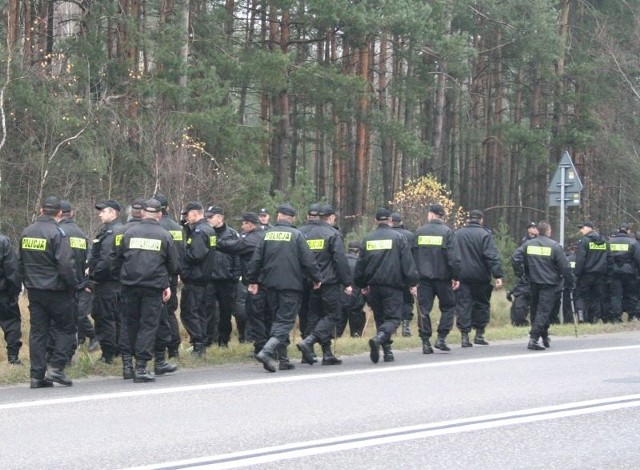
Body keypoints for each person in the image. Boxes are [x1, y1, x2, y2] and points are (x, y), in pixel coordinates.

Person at [247, 203, 322, 373]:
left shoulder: (267, 235)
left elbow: (256, 260)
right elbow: (308, 261)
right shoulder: (297, 235)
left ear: (278, 216)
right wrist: (316, 278)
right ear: (293, 218)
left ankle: (284, 359)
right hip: (291, 285)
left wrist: (253, 280)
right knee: (285, 321)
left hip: (270, 285)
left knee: (277, 320)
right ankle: (266, 351)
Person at [114, 199, 180, 382]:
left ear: (142, 214)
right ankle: (141, 367)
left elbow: (118, 258)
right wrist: (166, 283)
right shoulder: (165, 235)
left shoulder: (129, 233)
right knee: (148, 326)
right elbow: (174, 266)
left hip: (129, 285)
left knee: (130, 324)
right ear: (159, 214)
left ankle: (130, 364)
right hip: (153, 287)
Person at [19, 196, 77, 388]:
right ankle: (57, 368)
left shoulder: (27, 232)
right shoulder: (57, 233)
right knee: (66, 328)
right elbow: (66, 265)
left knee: (38, 332)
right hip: (57, 290)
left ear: (41, 210)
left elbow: (21, 262)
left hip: (35, 290)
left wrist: (26, 283)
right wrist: (72, 285)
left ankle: (37, 376)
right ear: (59, 213)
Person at [354, 208, 418, 363]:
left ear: (375, 221)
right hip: (393, 286)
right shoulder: (399, 238)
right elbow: (407, 263)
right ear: (390, 220)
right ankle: (379, 338)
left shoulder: (367, 239)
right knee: (394, 319)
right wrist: (412, 283)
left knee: (380, 319)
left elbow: (360, 265)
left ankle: (387, 352)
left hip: (373, 286)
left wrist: (361, 284)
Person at [297, 204, 352, 366]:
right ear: (331, 217)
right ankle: (310, 342)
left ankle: (324, 353)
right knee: (332, 315)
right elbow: (340, 260)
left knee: (313, 316)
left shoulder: (302, 233)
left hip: (309, 281)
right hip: (329, 282)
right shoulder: (332, 234)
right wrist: (347, 282)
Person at [512, 221, 573, 350]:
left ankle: (544, 336)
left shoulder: (528, 244)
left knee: (535, 310)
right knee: (544, 311)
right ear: (548, 231)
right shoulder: (554, 246)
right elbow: (565, 267)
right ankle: (534, 339)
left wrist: (521, 274)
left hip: (533, 282)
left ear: (538, 231)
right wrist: (569, 282)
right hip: (549, 283)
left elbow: (515, 257)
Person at [216, 212, 268, 359]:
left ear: (250, 224)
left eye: (244, 223)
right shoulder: (263, 234)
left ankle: (261, 348)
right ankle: (267, 347)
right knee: (263, 315)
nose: (242, 226)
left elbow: (233, 247)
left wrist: (213, 241)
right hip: (264, 282)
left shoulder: (252, 239)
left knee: (256, 316)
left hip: (257, 284)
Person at [412, 203, 460, 354]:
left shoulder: (419, 232)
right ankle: (441, 338)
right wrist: (456, 276)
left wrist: (413, 279)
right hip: (443, 279)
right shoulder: (447, 232)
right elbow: (454, 258)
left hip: (423, 279)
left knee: (423, 310)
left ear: (431, 215)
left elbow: (411, 256)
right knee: (449, 307)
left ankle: (425, 342)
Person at [454, 209, 503, 347]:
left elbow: (452, 255)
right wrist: (497, 275)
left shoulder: (457, 234)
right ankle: (479, 334)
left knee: (463, 304)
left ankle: (464, 336)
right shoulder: (485, 235)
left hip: (461, 276)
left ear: (468, 219)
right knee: (482, 304)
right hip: (481, 276)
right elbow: (492, 256)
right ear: (481, 220)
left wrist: (452, 274)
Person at [59, 200, 98, 356]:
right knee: (77, 314)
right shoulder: (81, 234)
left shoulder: (58, 232)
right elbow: (88, 258)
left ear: (59, 213)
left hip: (63, 282)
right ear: (72, 213)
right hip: (81, 281)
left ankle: (88, 337)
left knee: (71, 317)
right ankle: (81, 340)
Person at [87, 199, 123, 364]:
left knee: (105, 317)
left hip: (107, 282)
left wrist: (93, 275)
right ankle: (118, 351)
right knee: (115, 317)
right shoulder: (116, 230)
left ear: (113, 213)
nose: (99, 214)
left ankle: (108, 354)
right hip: (116, 282)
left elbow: (107, 260)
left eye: (103, 211)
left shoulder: (112, 232)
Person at [180, 201, 217, 356]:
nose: (186, 218)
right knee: (199, 312)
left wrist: (181, 255)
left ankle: (198, 343)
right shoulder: (206, 229)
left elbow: (196, 254)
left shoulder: (200, 232)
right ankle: (200, 345)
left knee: (189, 313)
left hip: (195, 277)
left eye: (187, 215)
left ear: (195, 213)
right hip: (202, 278)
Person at [204, 205, 241, 347]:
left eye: (211, 217)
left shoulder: (232, 234)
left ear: (220, 217)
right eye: (207, 217)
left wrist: (235, 276)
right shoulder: (206, 233)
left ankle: (223, 340)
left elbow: (237, 255)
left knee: (226, 312)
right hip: (209, 280)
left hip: (227, 280)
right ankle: (208, 340)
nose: (208, 220)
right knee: (209, 311)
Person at [154, 193, 184, 358]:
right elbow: (181, 252)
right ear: (168, 208)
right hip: (172, 275)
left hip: (158, 276)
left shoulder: (157, 227)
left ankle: (159, 349)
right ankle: (174, 349)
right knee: (171, 312)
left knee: (157, 314)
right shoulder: (177, 227)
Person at [574, 221, 610, 323]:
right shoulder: (604, 241)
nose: (581, 230)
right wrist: (608, 275)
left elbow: (580, 259)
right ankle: (594, 318)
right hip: (600, 275)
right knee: (596, 297)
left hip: (586, 275)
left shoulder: (585, 241)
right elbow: (609, 258)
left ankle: (583, 317)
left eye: (582, 228)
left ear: (590, 228)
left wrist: (576, 275)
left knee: (582, 296)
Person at [608, 224, 640, 322]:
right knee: (631, 294)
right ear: (628, 231)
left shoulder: (609, 242)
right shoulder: (633, 242)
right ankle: (632, 316)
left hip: (614, 271)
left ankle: (616, 317)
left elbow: (606, 258)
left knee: (616, 295)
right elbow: (638, 259)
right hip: (629, 272)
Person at [391, 212, 416, 337]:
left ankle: (392, 327)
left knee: (392, 301)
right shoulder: (410, 235)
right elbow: (414, 256)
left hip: (389, 275)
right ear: (401, 222)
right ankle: (406, 326)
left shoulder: (386, 236)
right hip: (406, 273)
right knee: (407, 300)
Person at [508, 221, 538, 327]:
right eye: (533, 228)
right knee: (523, 297)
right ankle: (519, 320)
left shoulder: (537, 240)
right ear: (529, 229)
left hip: (536, 272)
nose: (535, 230)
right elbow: (517, 257)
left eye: (536, 228)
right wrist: (520, 273)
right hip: (527, 273)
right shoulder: (525, 241)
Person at [0, 229, 23, 365]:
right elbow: (12, 269)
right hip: (3, 292)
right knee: (11, 323)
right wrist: (14, 291)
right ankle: (13, 357)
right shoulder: (3, 241)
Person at [335, 241, 366, 338]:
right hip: (356, 297)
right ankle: (356, 335)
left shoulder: (340, 261)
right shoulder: (360, 263)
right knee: (356, 316)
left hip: (340, 296)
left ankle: (336, 336)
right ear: (358, 251)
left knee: (340, 318)